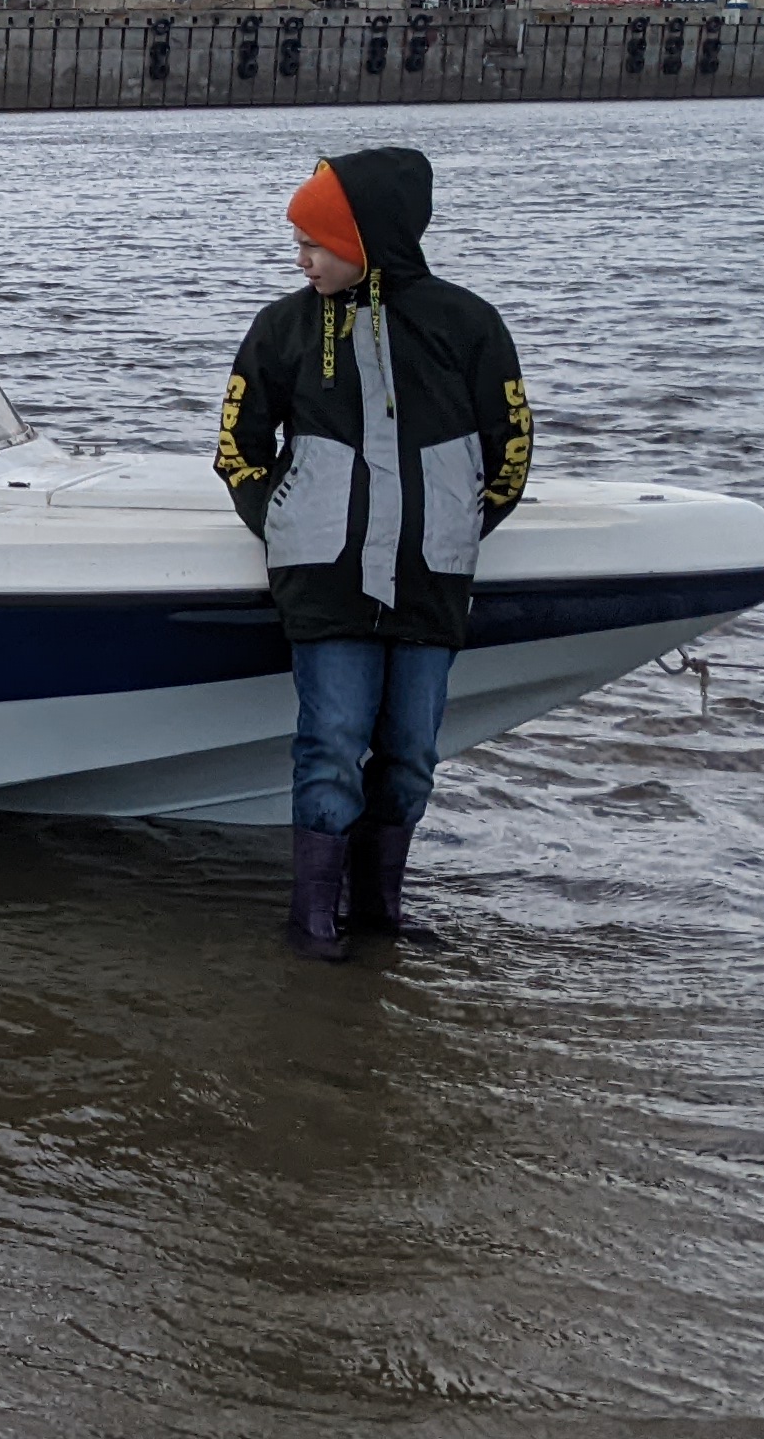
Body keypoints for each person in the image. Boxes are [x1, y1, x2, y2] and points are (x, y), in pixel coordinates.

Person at [214, 148, 534, 962]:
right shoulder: (284, 327)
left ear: (367, 239)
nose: (302, 259)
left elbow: (511, 450)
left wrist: (456, 527)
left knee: (412, 758)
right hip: (324, 584)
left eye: (315, 243)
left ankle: (380, 915)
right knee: (331, 747)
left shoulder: (468, 324)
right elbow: (238, 446)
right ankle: (312, 922)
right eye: (297, 243)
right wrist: (284, 522)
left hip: (431, 584)